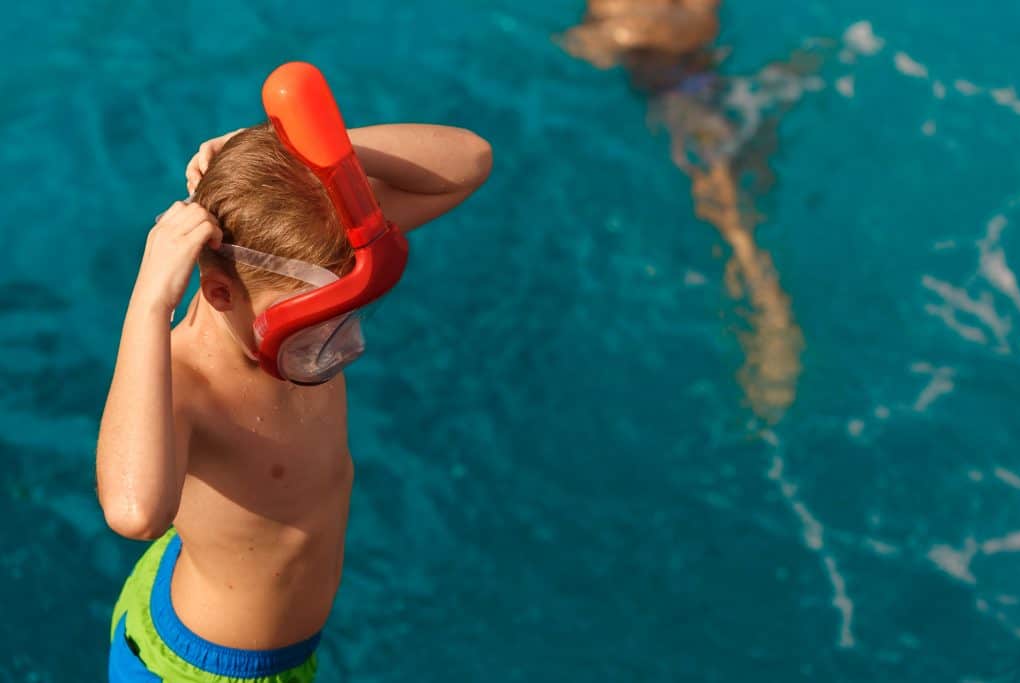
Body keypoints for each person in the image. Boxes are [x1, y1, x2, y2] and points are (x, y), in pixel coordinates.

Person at [97, 66, 492, 681]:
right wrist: (150, 301)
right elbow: (135, 512)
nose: (340, 342)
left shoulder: (315, 259)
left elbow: (471, 160)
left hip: (266, 637)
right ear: (220, 294)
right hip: (206, 669)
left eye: (348, 312)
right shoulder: (185, 381)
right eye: (311, 326)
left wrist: (317, 161)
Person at [561, 0, 817, 423]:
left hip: (683, 98)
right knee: (743, 189)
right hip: (716, 82)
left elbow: (590, 49)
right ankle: (770, 318)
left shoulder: (620, 12)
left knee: (732, 220)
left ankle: (772, 318)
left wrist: (621, 36)